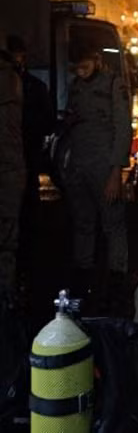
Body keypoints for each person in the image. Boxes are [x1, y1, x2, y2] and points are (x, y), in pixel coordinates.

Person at [62, 46, 132, 277]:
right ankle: (83, 275)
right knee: (83, 222)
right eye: (77, 68)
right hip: (79, 164)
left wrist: (116, 172)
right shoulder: (76, 86)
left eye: (85, 66)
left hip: (104, 165)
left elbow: (123, 129)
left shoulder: (114, 85)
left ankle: (117, 277)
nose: (81, 72)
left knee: (113, 223)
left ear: (96, 60)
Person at [6, 36, 54, 278]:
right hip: (20, 159)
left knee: (25, 217)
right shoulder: (31, 86)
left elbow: (46, 123)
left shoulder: (33, 87)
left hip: (24, 158)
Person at [0, 43, 24, 298]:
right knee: (7, 242)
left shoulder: (9, 79)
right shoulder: (13, 79)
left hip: (8, 169)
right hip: (10, 170)